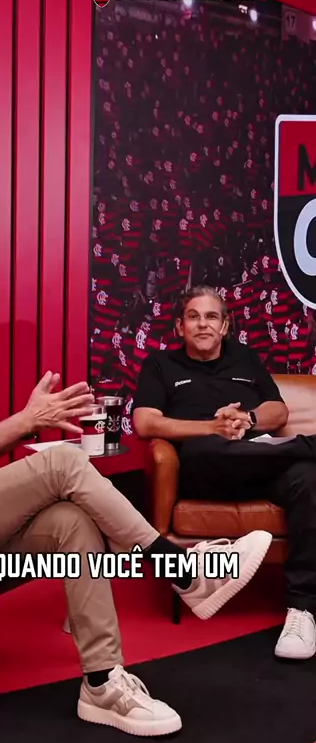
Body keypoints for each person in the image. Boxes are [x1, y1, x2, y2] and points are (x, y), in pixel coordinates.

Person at [0, 261, 272, 738]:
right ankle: (182, 570)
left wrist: (29, 421)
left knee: (70, 519)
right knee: (63, 463)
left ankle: (102, 682)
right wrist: (26, 422)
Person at [133, 283, 316, 661]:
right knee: (207, 448)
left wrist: (248, 419)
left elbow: (278, 411)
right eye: (193, 316)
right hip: (206, 466)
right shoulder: (161, 364)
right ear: (180, 326)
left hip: (260, 460)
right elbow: (145, 422)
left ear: (225, 325)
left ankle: (302, 609)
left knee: (309, 479)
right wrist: (211, 427)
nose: (203, 324)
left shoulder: (245, 358)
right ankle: (309, 446)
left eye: (211, 316)